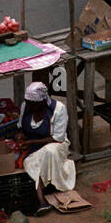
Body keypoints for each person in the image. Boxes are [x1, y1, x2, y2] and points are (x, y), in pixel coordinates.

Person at [17, 82, 74, 214]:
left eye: (32, 103)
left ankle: (41, 198)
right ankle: (41, 200)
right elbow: (20, 126)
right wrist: (20, 135)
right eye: (28, 102)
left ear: (42, 102)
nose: (29, 105)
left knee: (47, 153)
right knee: (33, 160)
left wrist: (32, 142)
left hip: (56, 145)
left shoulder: (59, 109)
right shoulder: (25, 107)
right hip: (33, 146)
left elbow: (58, 138)